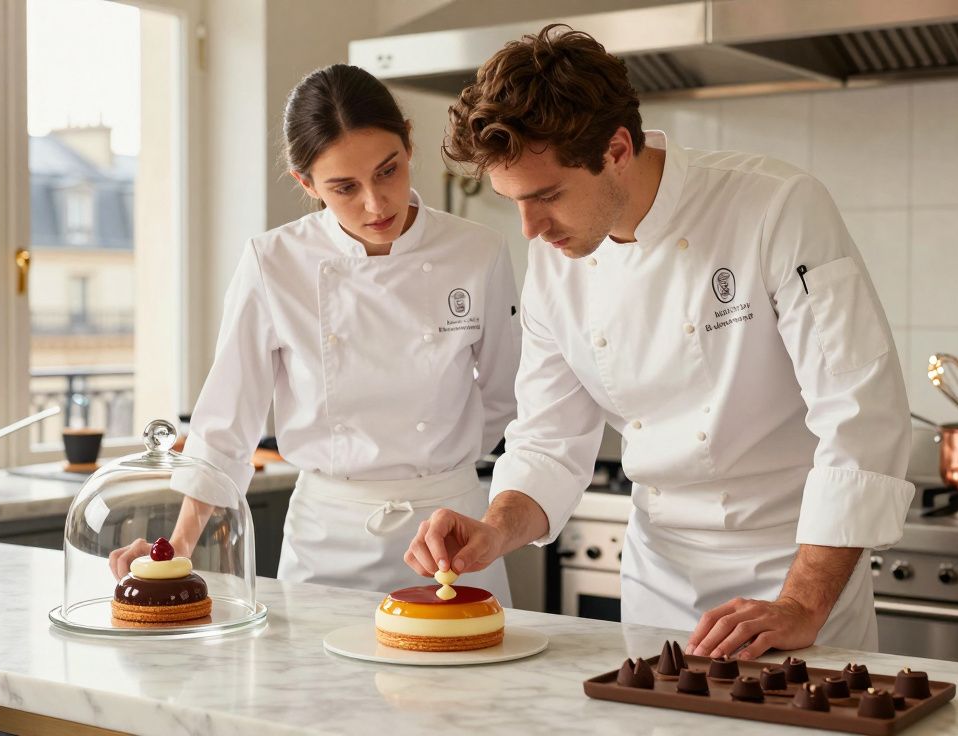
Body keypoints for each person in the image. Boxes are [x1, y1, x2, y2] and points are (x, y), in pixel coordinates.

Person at [404, 25, 914, 655]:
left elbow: (862, 414)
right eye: (514, 202)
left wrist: (801, 603)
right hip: (659, 583)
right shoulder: (558, 263)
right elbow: (549, 440)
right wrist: (494, 527)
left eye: (548, 196)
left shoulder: (776, 207)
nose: (531, 229)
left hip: (796, 574)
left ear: (617, 149)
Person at [111, 64, 520, 602]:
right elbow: (228, 421)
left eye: (389, 171)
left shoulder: (478, 251)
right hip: (330, 542)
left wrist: (443, 476)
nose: (376, 204)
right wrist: (176, 549)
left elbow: (504, 396)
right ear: (307, 183)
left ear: (409, 145)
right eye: (345, 187)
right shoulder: (274, 262)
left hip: (452, 536)